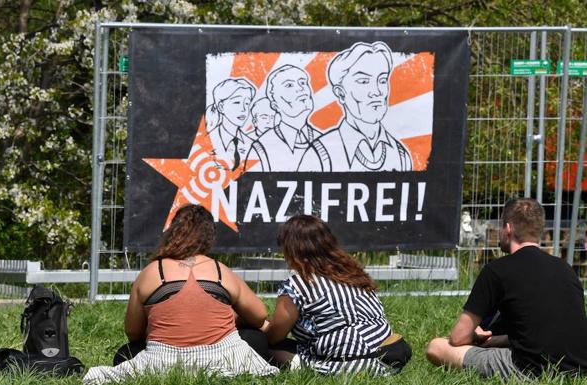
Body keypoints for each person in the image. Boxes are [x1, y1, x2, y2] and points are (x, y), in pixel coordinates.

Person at [83, 205, 278, 384]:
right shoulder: (220, 271)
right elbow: (259, 315)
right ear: (209, 237)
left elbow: (133, 332)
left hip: (163, 360)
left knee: (125, 353)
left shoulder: (151, 272)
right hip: (224, 357)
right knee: (256, 338)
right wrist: (232, 317)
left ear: (172, 232)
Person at [426, 198, 587, 379]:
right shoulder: (566, 269)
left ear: (508, 229)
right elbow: (542, 332)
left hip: (529, 369)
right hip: (577, 368)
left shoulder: (496, 270)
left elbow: (457, 338)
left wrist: (476, 337)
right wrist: (494, 341)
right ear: (539, 232)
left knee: (436, 346)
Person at [263, 214, 411, 375]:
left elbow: (274, 337)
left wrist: (260, 325)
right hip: (390, 360)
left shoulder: (298, 284)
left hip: (353, 366)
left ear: (292, 250)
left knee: (255, 341)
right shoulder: (353, 272)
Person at [303, 41, 412, 172]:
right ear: (340, 93)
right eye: (364, 81)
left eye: (382, 80)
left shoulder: (401, 156)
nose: (377, 91)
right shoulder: (320, 154)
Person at [246, 65, 329, 172]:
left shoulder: (325, 142)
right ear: (275, 105)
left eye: (303, 82)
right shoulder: (262, 148)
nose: (301, 88)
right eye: (289, 85)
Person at [206, 78, 256, 171]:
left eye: (247, 103)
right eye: (237, 102)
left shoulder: (253, 144)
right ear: (221, 107)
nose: (244, 109)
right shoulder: (206, 142)